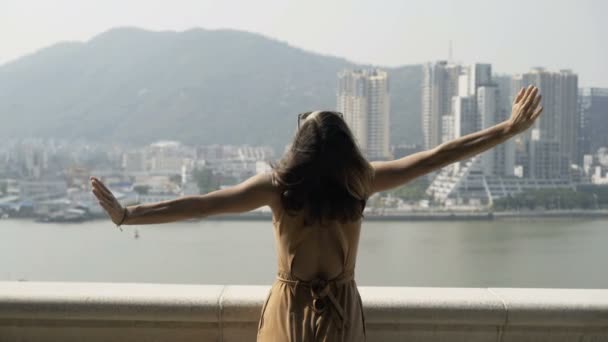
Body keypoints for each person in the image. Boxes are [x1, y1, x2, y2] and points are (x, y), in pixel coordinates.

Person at [91, 85, 543, 341]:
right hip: (342, 313)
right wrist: (507, 129)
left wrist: (130, 214)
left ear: (299, 146)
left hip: (288, 312)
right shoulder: (361, 180)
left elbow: (201, 205)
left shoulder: (278, 186)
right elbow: (437, 156)